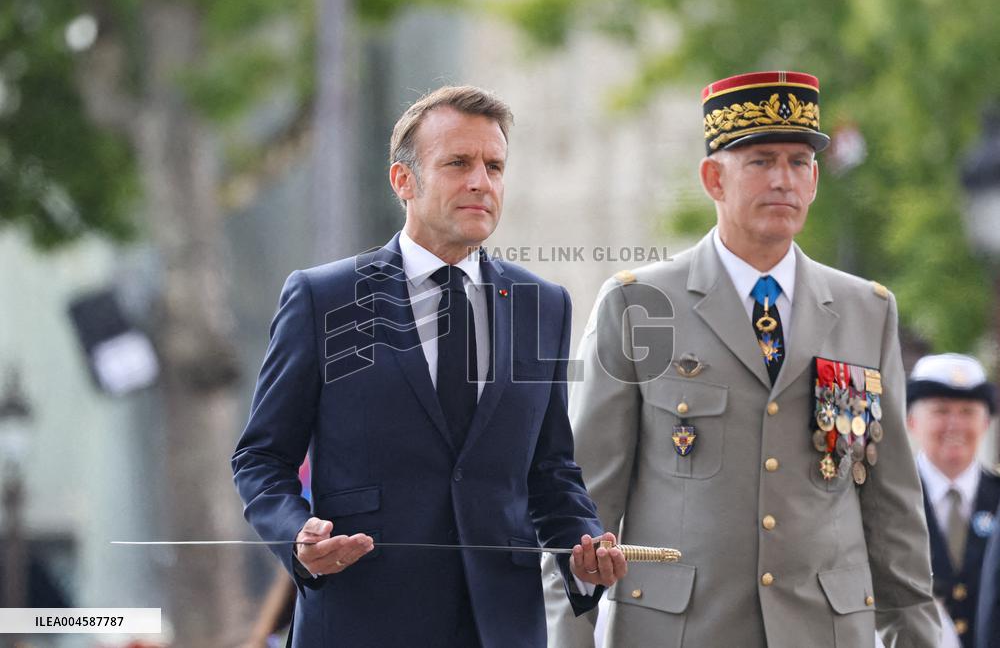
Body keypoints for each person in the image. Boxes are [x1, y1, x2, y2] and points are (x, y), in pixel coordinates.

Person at [544, 70, 940, 647]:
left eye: (799, 163)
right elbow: (580, 514)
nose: (784, 180)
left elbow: (894, 514)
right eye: (761, 161)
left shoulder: (865, 311)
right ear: (713, 177)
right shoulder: (640, 305)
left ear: (814, 181)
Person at [232, 85, 625, 648]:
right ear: (403, 181)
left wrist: (583, 548)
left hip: (501, 628)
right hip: (361, 621)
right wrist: (297, 536)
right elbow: (261, 458)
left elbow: (550, 470)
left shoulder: (544, 305)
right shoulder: (326, 298)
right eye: (458, 163)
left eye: (494, 166)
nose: (480, 182)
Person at [906, 353, 998, 647]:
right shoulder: (887, 500)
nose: (955, 425)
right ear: (911, 421)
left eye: (968, 411)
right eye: (941, 411)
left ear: (986, 423)